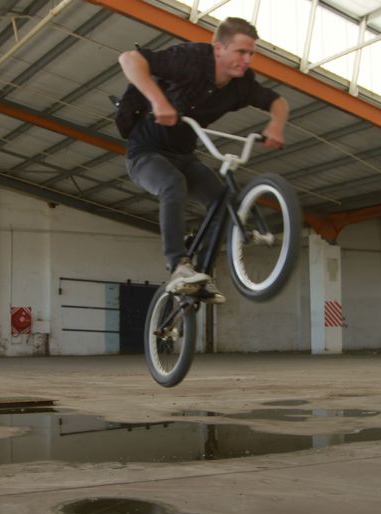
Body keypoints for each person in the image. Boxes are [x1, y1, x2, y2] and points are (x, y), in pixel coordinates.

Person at [116, 17, 289, 304]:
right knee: (173, 184)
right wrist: (158, 101)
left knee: (224, 204)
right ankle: (178, 267)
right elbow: (130, 58)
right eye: (240, 52)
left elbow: (278, 102)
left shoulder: (241, 85)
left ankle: (201, 276)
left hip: (184, 155)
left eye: (251, 53)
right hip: (145, 153)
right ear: (219, 49)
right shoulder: (190, 59)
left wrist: (276, 125)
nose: (247, 60)